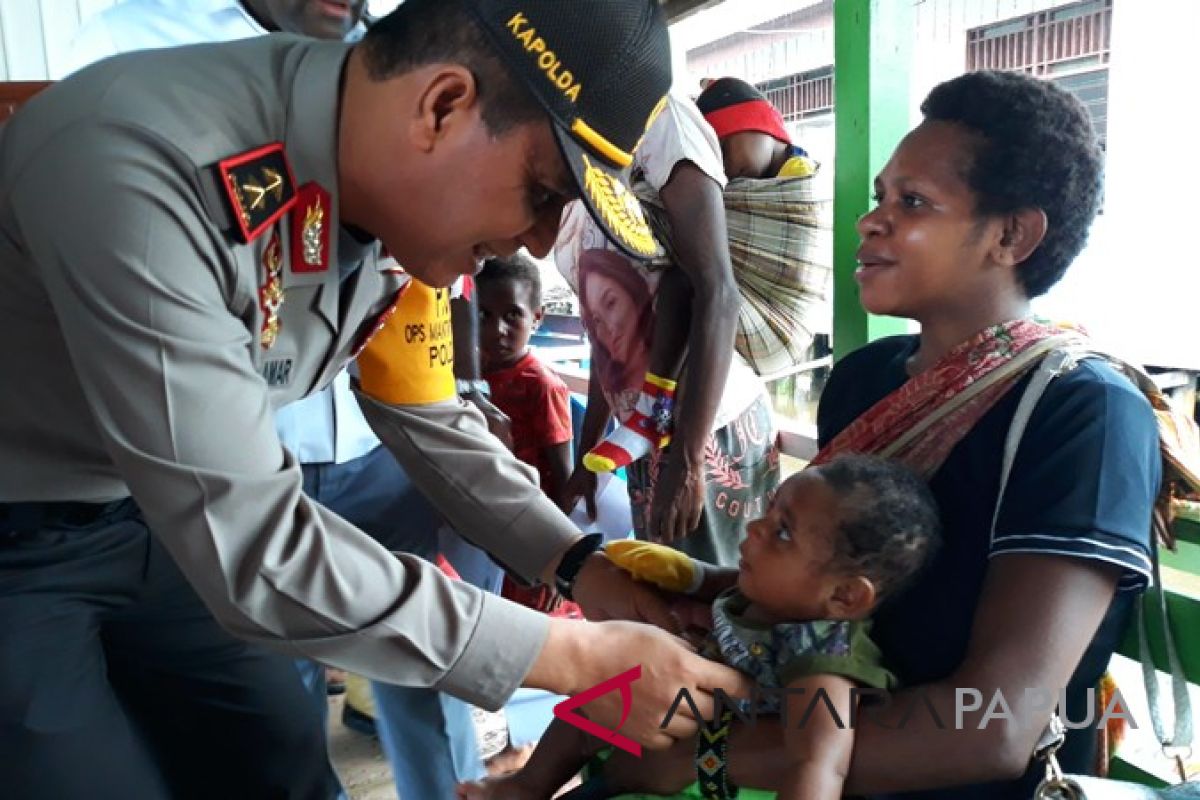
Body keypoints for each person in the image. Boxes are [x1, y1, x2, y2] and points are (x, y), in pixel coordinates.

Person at [0, 2, 755, 798]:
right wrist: (571, 660)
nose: (537, 243)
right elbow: (252, 546)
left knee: (282, 766)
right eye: (542, 192)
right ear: (441, 107)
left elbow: (423, 408)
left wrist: (578, 566)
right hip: (21, 538)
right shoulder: (142, 161)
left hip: (162, 522)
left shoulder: (380, 194)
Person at [534, 70, 1160, 799]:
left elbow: (996, 726)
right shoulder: (866, 379)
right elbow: (830, 587)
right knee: (596, 732)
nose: (872, 222)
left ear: (1011, 235)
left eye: (913, 203)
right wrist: (698, 592)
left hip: (928, 780)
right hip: (799, 723)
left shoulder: (1081, 413)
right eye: (880, 199)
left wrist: (706, 755)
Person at [66, 1, 504, 795]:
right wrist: (570, 654)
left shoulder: (394, 53)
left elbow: (424, 301)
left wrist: (571, 559)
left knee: (430, 685)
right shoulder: (127, 50)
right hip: (239, 461)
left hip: (377, 446)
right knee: (272, 698)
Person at [458, 454, 942, 800]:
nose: (755, 528)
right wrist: (685, 575)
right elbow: (713, 585)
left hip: (702, 784)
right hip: (669, 715)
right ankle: (526, 785)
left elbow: (818, 760)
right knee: (588, 706)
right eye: (769, 511)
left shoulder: (821, 654)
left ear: (844, 597)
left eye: (783, 532)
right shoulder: (766, 596)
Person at [556, 93, 779, 568]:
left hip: (703, 430)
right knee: (666, 602)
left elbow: (718, 291)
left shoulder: (663, 122)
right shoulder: (583, 154)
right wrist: (587, 453)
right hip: (646, 433)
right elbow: (608, 338)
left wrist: (688, 459)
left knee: (714, 608)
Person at [477, 255, 581, 620]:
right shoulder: (473, 374)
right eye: (484, 315)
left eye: (512, 315)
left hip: (534, 532)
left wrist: (561, 563)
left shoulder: (543, 386)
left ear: (536, 319)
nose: (496, 330)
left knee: (530, 631)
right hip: (489, 523)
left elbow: (564, 482)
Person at [694, 77, 816, 181]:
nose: (725, 169)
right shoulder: (766, 176)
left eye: (724, 151)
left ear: (760, 124)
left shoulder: (797, 172)